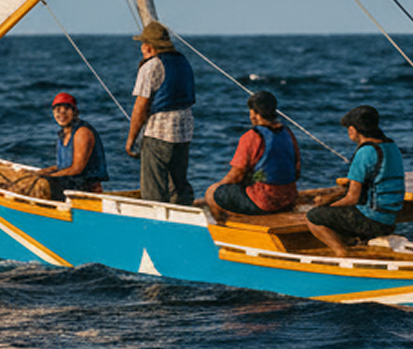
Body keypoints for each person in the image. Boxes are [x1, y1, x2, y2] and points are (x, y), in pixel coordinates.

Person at [305, 104, 405, 256]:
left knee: (313, 217)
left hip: (372, 221)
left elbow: (352, 198)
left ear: (352, 130)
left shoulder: (365, 152)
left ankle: (342, 253)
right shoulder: (391, 146)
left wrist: (328, 206)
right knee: (334, 211)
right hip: (390, 218)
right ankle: (355, 243)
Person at [124, 20, 195, 204]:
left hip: (159, 132)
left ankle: (155, 223)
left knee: (153, 187)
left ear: (148, 47)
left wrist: (131, 138)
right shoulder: (183, 61)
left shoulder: (151, 66)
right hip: (184, 130)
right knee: (178, 184)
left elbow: (141, 106)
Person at [205, 90, 301, 222]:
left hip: (264, 202)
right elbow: (297, 171)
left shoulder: (252, 136)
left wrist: (218, 187)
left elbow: (236, 175)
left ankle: (223, 230)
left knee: (211, 193)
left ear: (254, 114)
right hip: (288, 199)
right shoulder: (288, 133)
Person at [26, 91, 108, 200]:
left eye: (67, 109)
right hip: (70, 182)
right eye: (58, 110)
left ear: (76, 112)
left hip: (85, 188)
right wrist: (39, 173)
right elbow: (61, 166)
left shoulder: (82, 132)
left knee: (42, 185)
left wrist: (49, 177)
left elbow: (76, 169)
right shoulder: (62, 134)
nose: (62, 113)